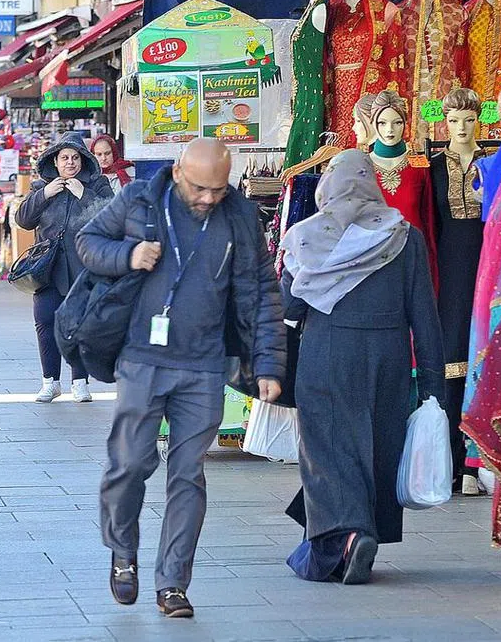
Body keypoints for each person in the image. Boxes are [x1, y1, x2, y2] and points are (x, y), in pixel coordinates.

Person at [76, 137, 285, 619]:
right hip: (141, 358)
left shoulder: (239, 216)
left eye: (218, 188)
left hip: (204, 365)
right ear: (176, 173)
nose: (209, 198)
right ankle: (122, 550)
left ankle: (172, 583)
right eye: (199, 188)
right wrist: (128, 256)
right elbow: (88, 243)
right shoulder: (139, 200)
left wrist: (270, 364)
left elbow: (260, 290)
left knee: (188, 475)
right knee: (128, 464)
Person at [280, 149, 445, 585]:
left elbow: (289, 303)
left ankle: (350, 535)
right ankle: (347, 533)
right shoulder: (403, 235)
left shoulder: (306, 236)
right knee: (374, 444)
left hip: (327, 352)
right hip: (388, 355)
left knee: (328, 448)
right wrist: (433, 384)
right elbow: (424, 314)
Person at [14, 132, 113, 404]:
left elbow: (111, 217)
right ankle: (50, 382)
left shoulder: (99, 184)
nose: (70, 162)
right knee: (45, 322)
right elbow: (23, 219)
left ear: (83, 161)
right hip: (47, 269)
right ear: (55, 161)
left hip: (82, 268)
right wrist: (45, 193)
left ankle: (80, 382)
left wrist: (84, 194)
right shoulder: (41, 187)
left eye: (75, 157)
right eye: (64, 157)